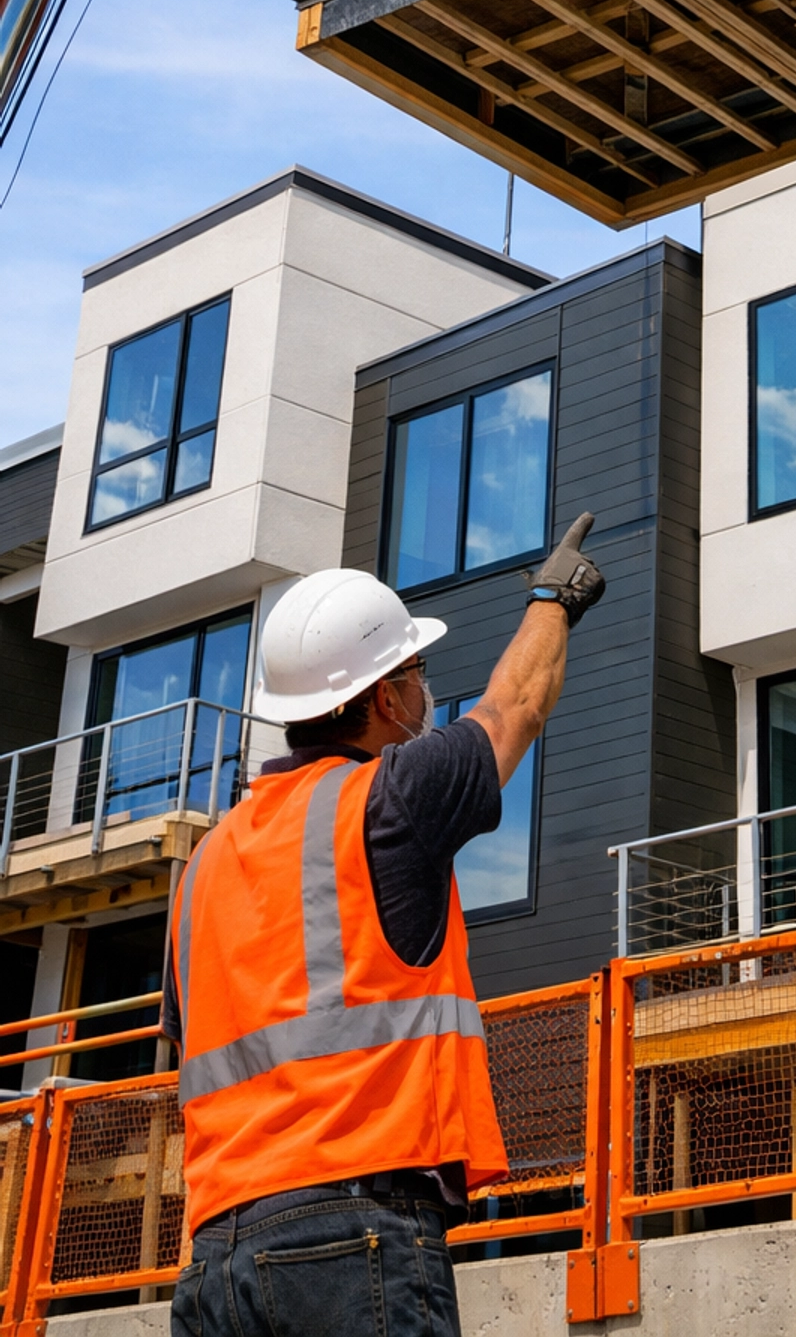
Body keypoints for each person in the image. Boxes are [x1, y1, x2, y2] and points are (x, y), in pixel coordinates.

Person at [166, 513, 605, 1337]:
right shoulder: (388, 796)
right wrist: (555, 599)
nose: (425, 690)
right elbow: (512, 711)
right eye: (417, 670)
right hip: (350, 1232)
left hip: (216, 1258)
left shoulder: (202, 870)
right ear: (383, 699)